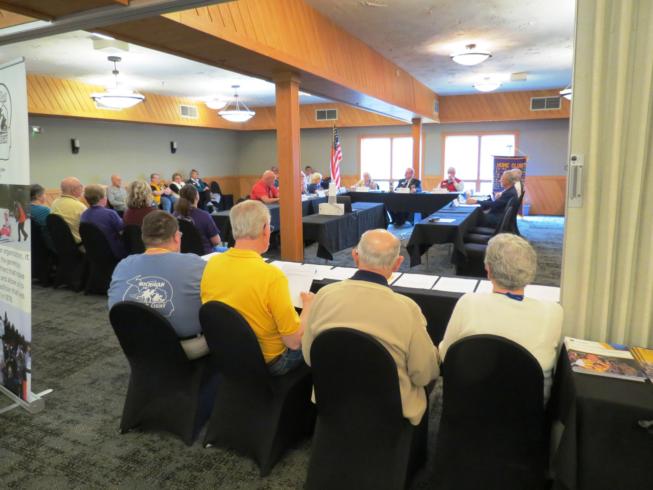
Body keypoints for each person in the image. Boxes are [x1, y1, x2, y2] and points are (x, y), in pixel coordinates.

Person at [302, 229, 439, 425]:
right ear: (398, 263)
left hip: (332, 400)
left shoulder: (324, 295)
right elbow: (424, 374)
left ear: (355, 256)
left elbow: (309, 356)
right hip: (390, 411)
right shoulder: (407, 309)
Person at [439, 233, 562, 403]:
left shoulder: (468, 302)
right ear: (532, 271)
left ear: (488, 270)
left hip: (469, 404)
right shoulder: (553, 312)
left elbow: (446, 355)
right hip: (527, 410)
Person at [201, 200, 313, 376]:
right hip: (271, 362)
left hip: (227, 354)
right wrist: (308, 307)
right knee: (317, 337)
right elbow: (294, 342)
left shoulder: (212, 264)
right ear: (265, 229)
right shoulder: (271, 276)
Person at [108, 211, 209, 360]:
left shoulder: (123, 265)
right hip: (185, 348)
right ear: (176, 237)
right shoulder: (196, 264)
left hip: (135, 344)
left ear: (144, 237)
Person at [80, 184, 126, 259]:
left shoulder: (83, 215)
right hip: (114, 252)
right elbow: (122, 229)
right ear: (103, 199)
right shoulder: (110, 213)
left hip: (95, 253)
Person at [174, 185, 222, 254]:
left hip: (183, 254)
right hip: (205, 254)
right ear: (197, 196)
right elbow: (216, 241)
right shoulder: (204, 216)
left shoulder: (174, 215)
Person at [51, 177, 87, 244]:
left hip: (61, 244)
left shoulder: (54, 203)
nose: (82, 188)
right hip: (80, 245)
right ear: (74, 191)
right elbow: (90, 228)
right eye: (80, 186)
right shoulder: (79, 207)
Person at [30, 184, 54, 250]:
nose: (45, 196)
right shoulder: (45, 210)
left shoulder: (24, 209)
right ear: (38, 196)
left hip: (32, 244)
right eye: (44, 194)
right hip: (45, 245)